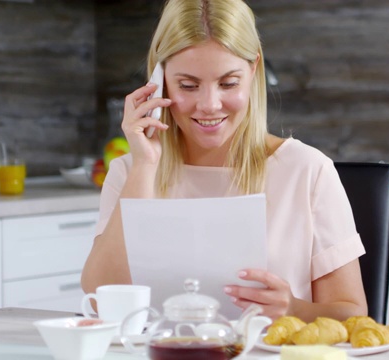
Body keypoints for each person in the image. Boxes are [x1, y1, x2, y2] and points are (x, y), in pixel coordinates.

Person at [81, 0, 367, 322]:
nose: (209, 104)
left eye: (228, 83)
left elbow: (352, 314)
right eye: (188, 86)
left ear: (253, 70)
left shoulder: (306, 170)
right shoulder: (131, 171)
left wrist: (294, 309)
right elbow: (98, 299)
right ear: (159, 81)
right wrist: (145, 165)